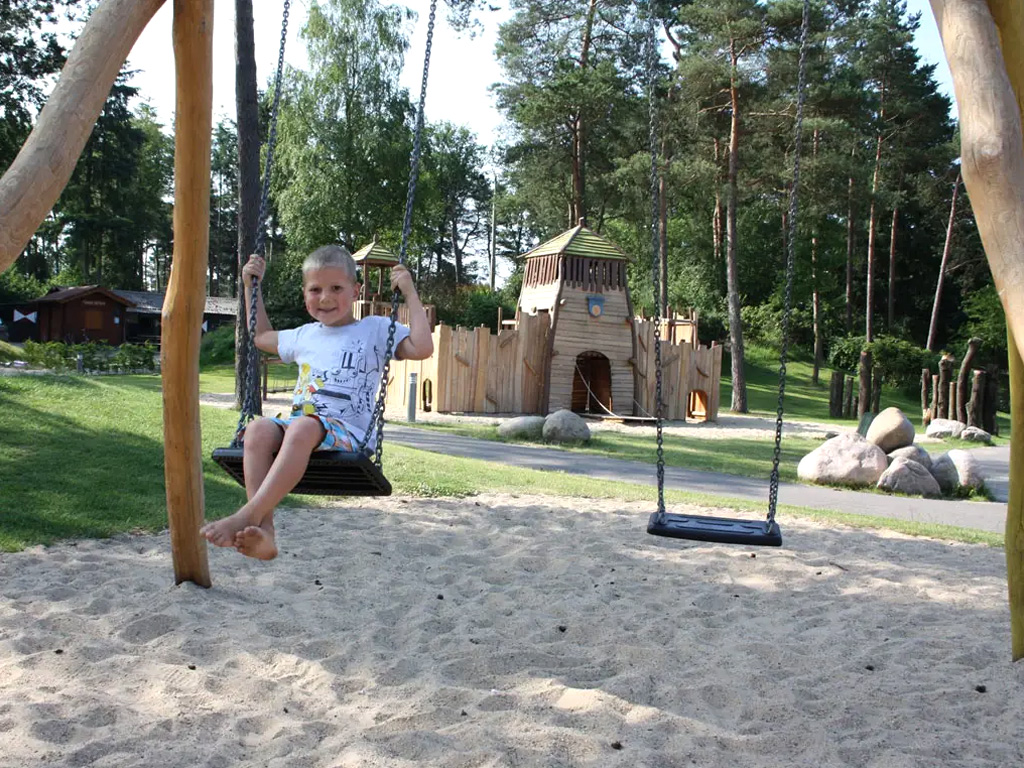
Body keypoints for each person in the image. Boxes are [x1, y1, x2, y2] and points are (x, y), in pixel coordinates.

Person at [200, 244, 433, 560]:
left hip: (347, 432)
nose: (325, 297)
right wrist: (249, 286)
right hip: (305, 427)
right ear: (305, 293)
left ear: (356, 290)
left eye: (336, 288)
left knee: (302, 428)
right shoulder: (304, 335)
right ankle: (264, 531)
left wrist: (409, 291)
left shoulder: (375, 329)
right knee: (257, 430)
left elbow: (421, 347)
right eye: (316, 289)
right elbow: (260, 336)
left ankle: (247, 514)